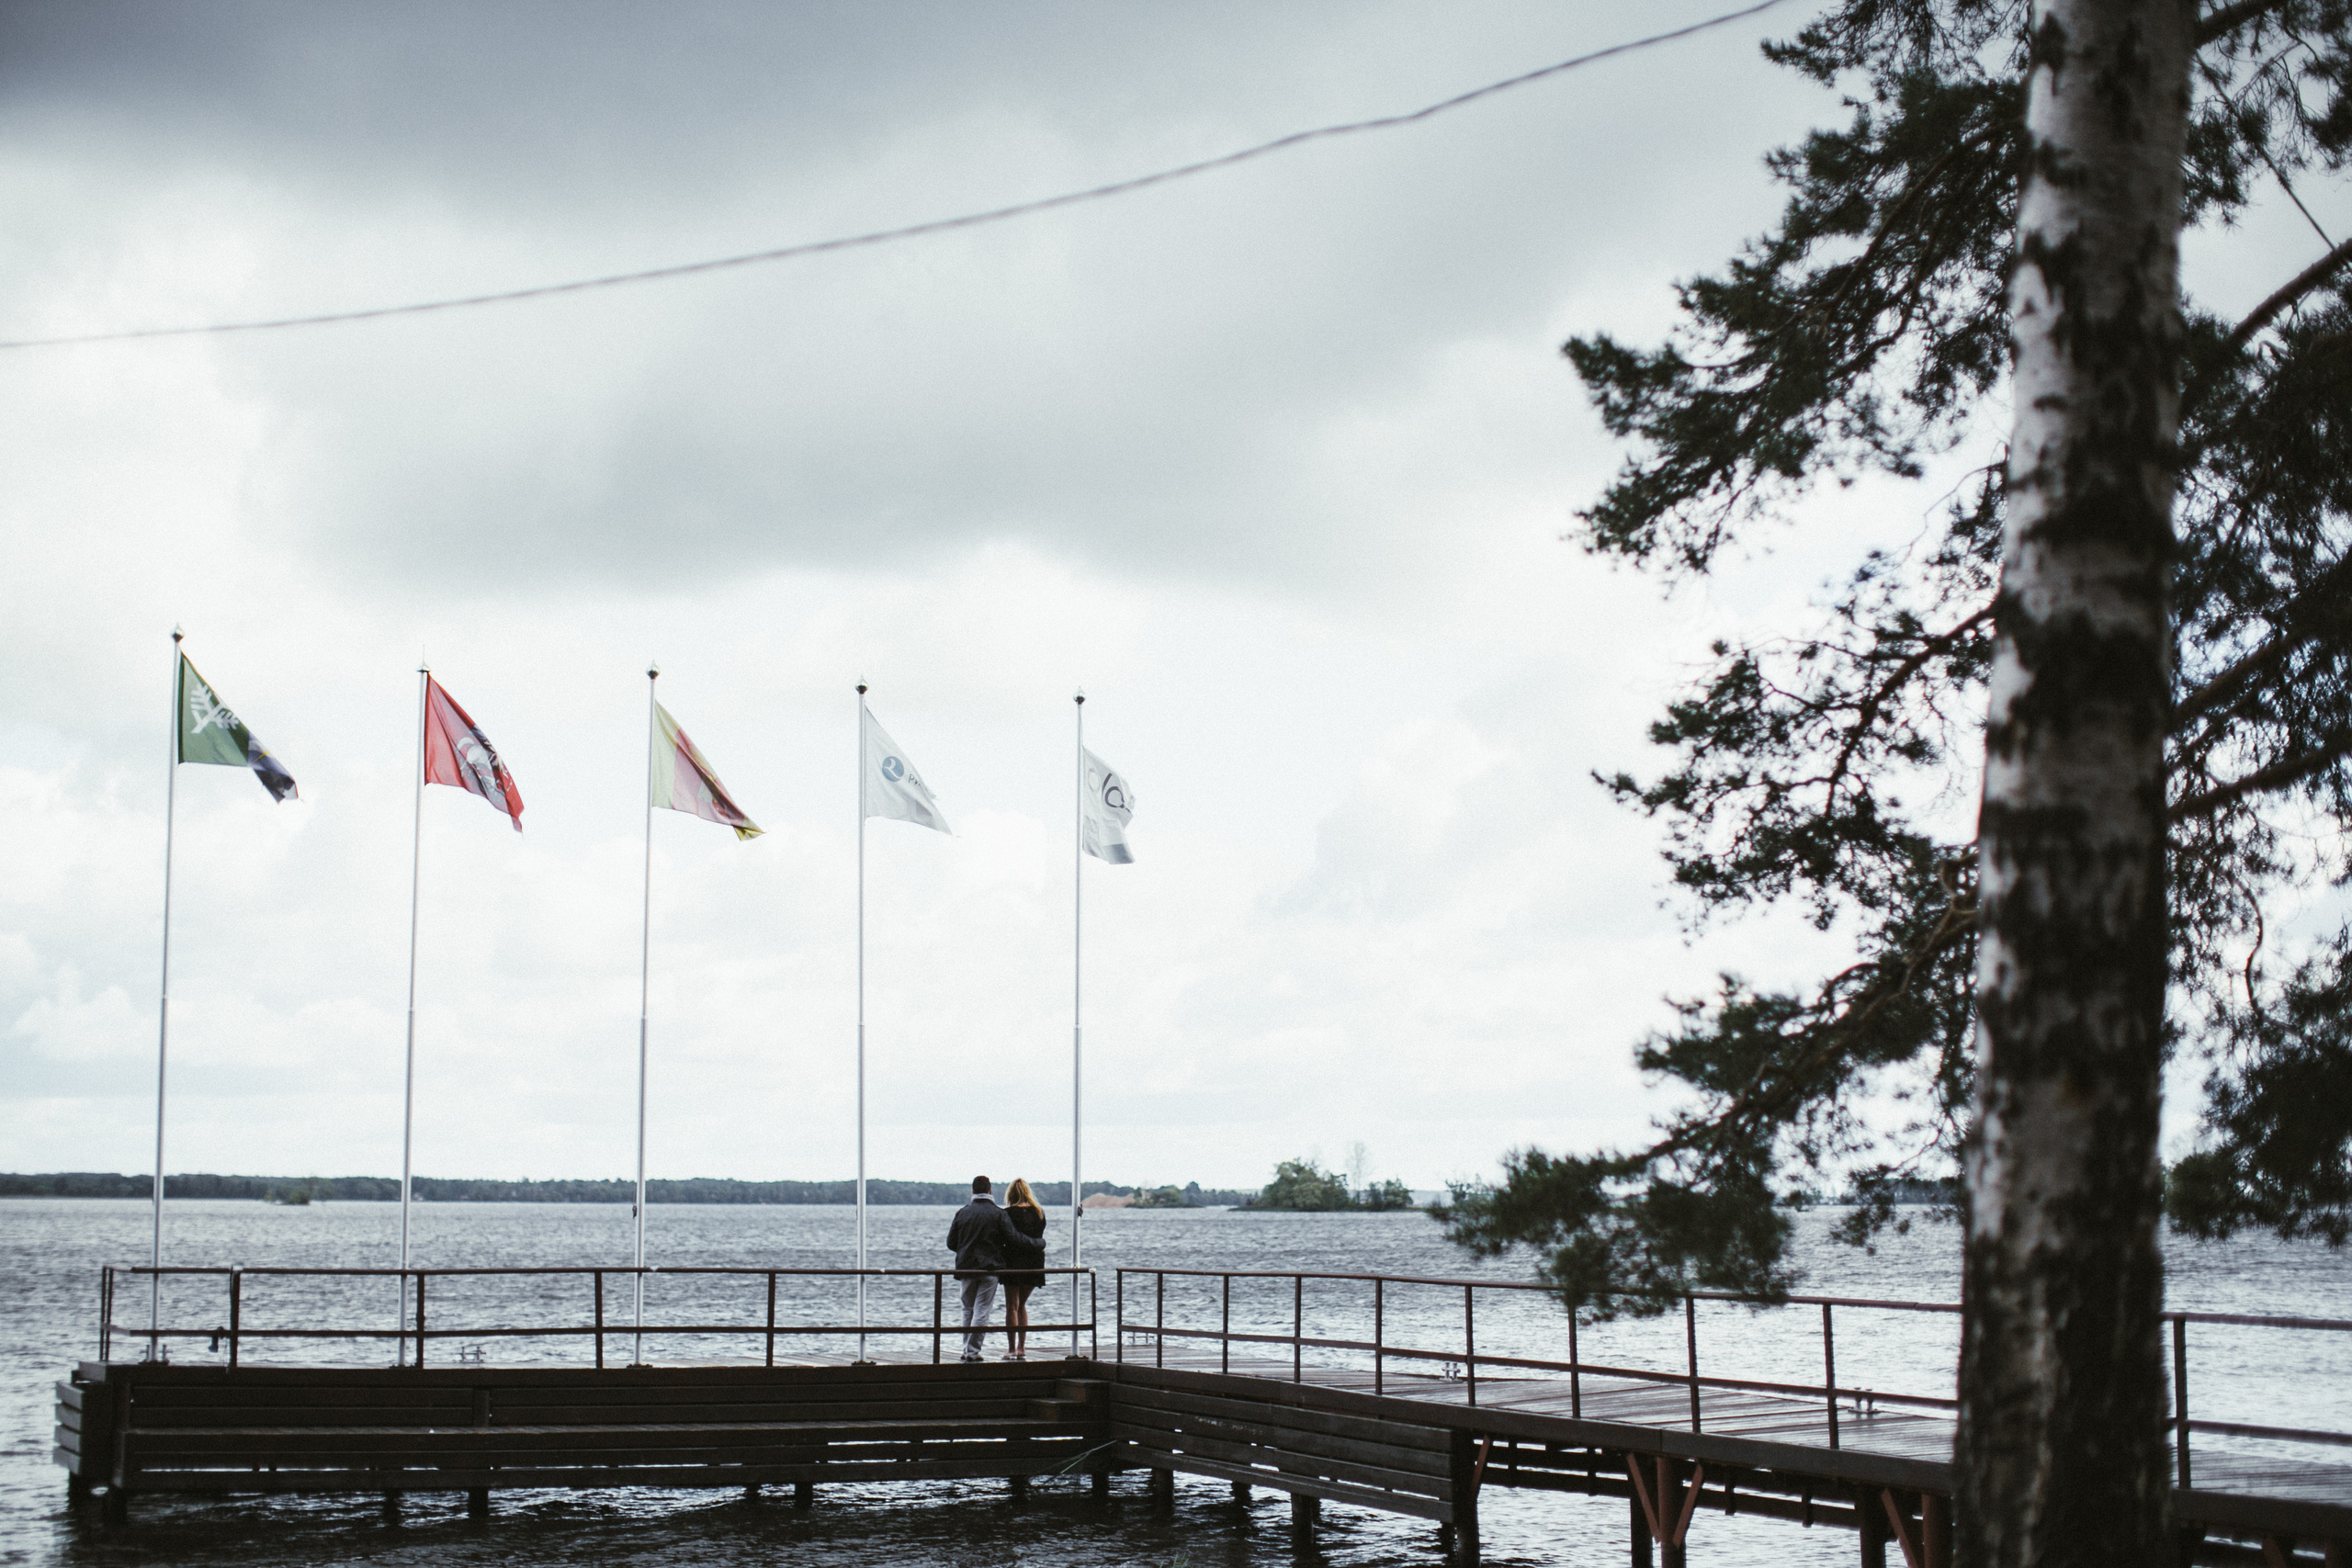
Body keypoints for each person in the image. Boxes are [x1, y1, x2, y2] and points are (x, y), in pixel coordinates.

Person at [945, 1176, 1044, 1362]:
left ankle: (966, 1350)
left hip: (966, 1268)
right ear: (990, 1191)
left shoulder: (962, 1213)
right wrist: (1038, 1243)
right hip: (990, 1268)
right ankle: (973, 1352)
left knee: (967, 1309)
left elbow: (951, 1242)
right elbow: (1013, 1238)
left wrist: (966, 1250)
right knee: (982, 1309)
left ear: (972, 1191)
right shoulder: (999, 1214)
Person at [999, 1178, 1048, 1360]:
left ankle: (1012, 1349)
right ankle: (1022, 1347)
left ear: (1011, 1194)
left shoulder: (1007, 1213)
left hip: (1013, 1262)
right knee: (1022, 1305)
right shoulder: (1039, 1212)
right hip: (1034, 1262)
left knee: (1012, 1306)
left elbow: (1004, 1237)